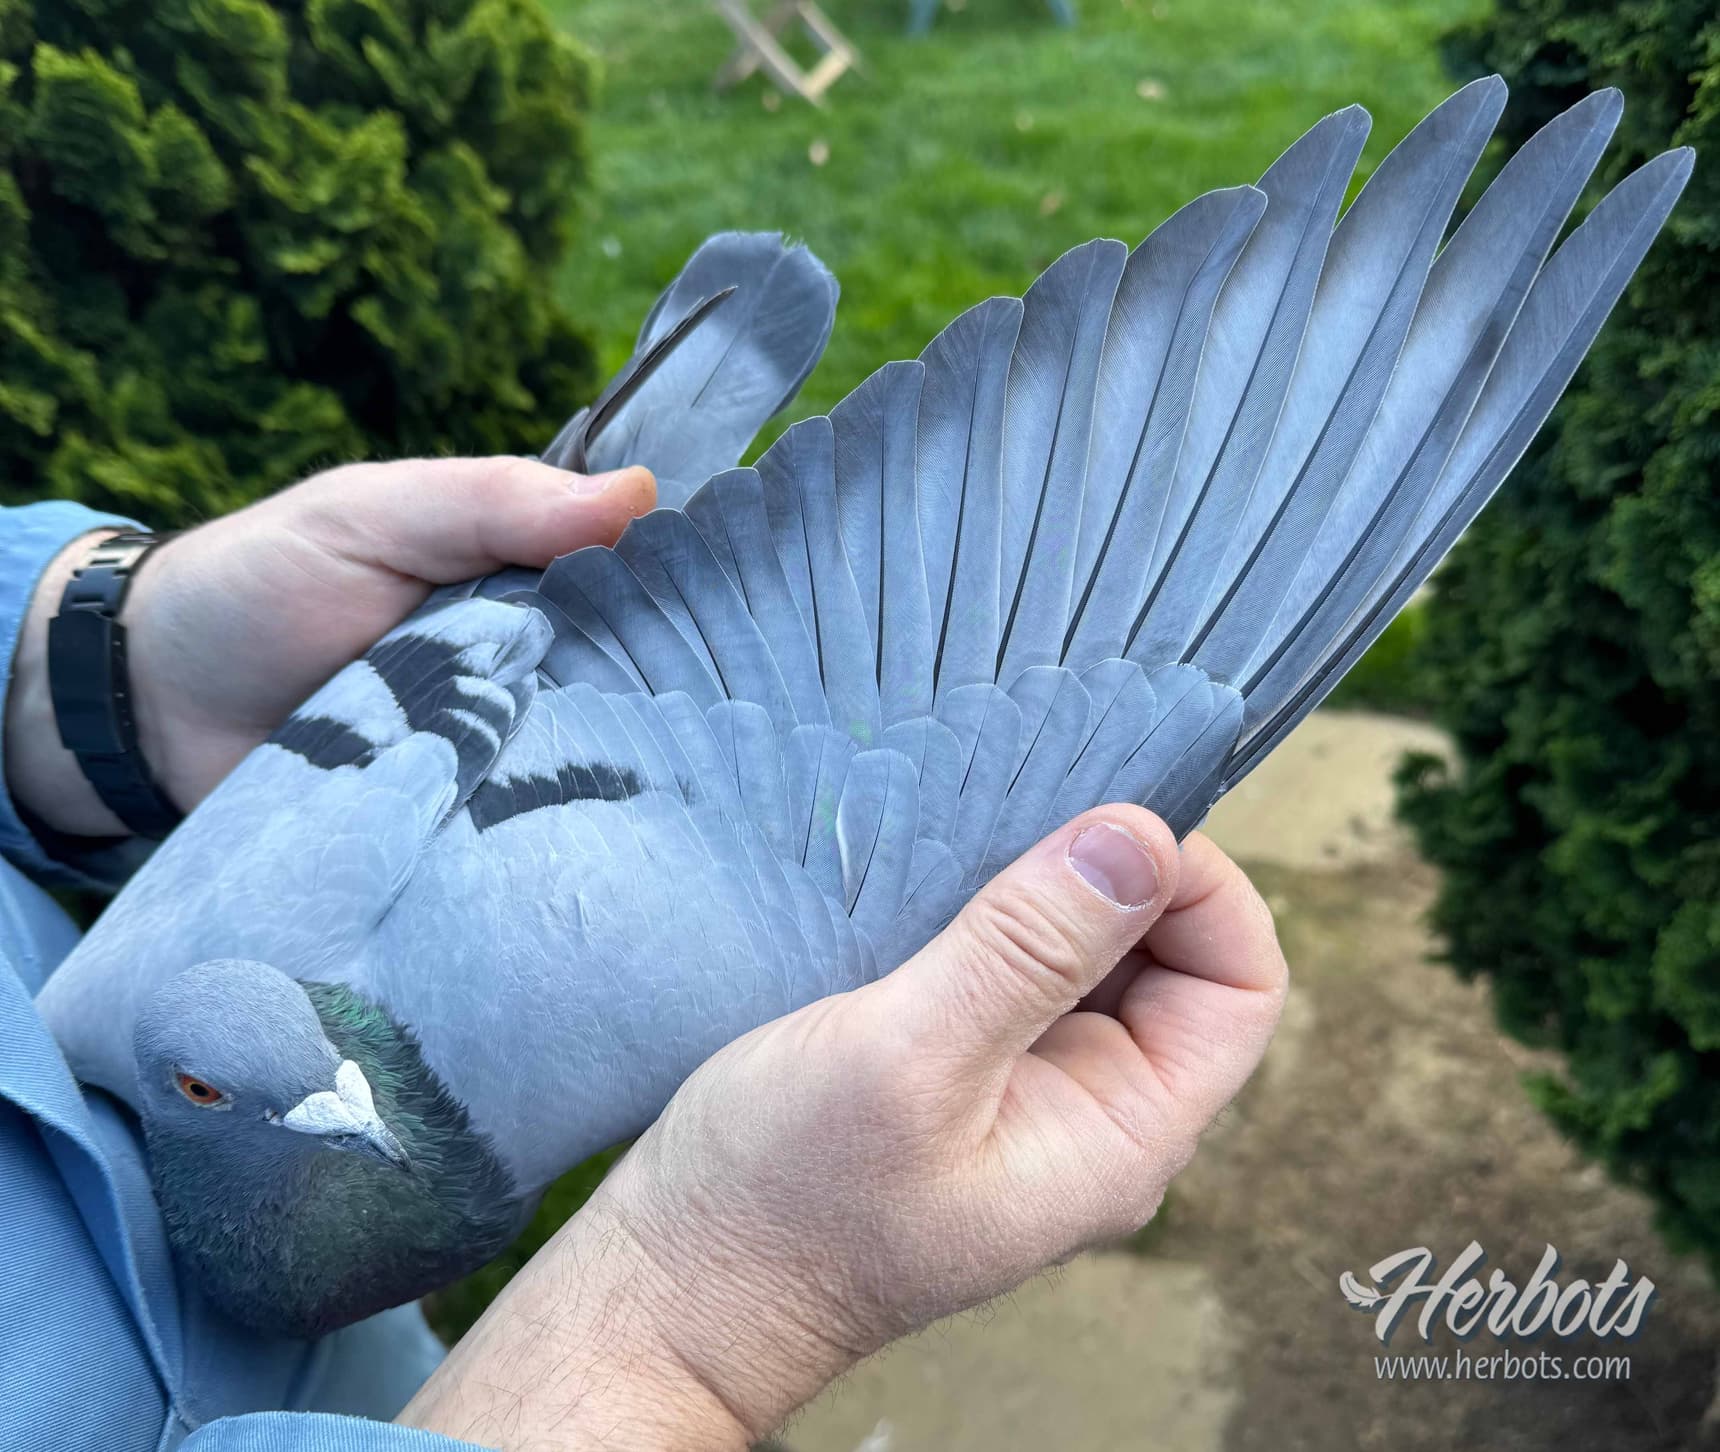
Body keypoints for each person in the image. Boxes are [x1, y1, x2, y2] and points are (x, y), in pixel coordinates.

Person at [1, 457, 1288, 1450]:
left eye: (332, 1082)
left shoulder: (412, 1065)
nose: (351, 1109)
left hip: (393, 792)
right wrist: (693, 1329)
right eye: (221, 1092)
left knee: (892, 865)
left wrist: (87, 666)